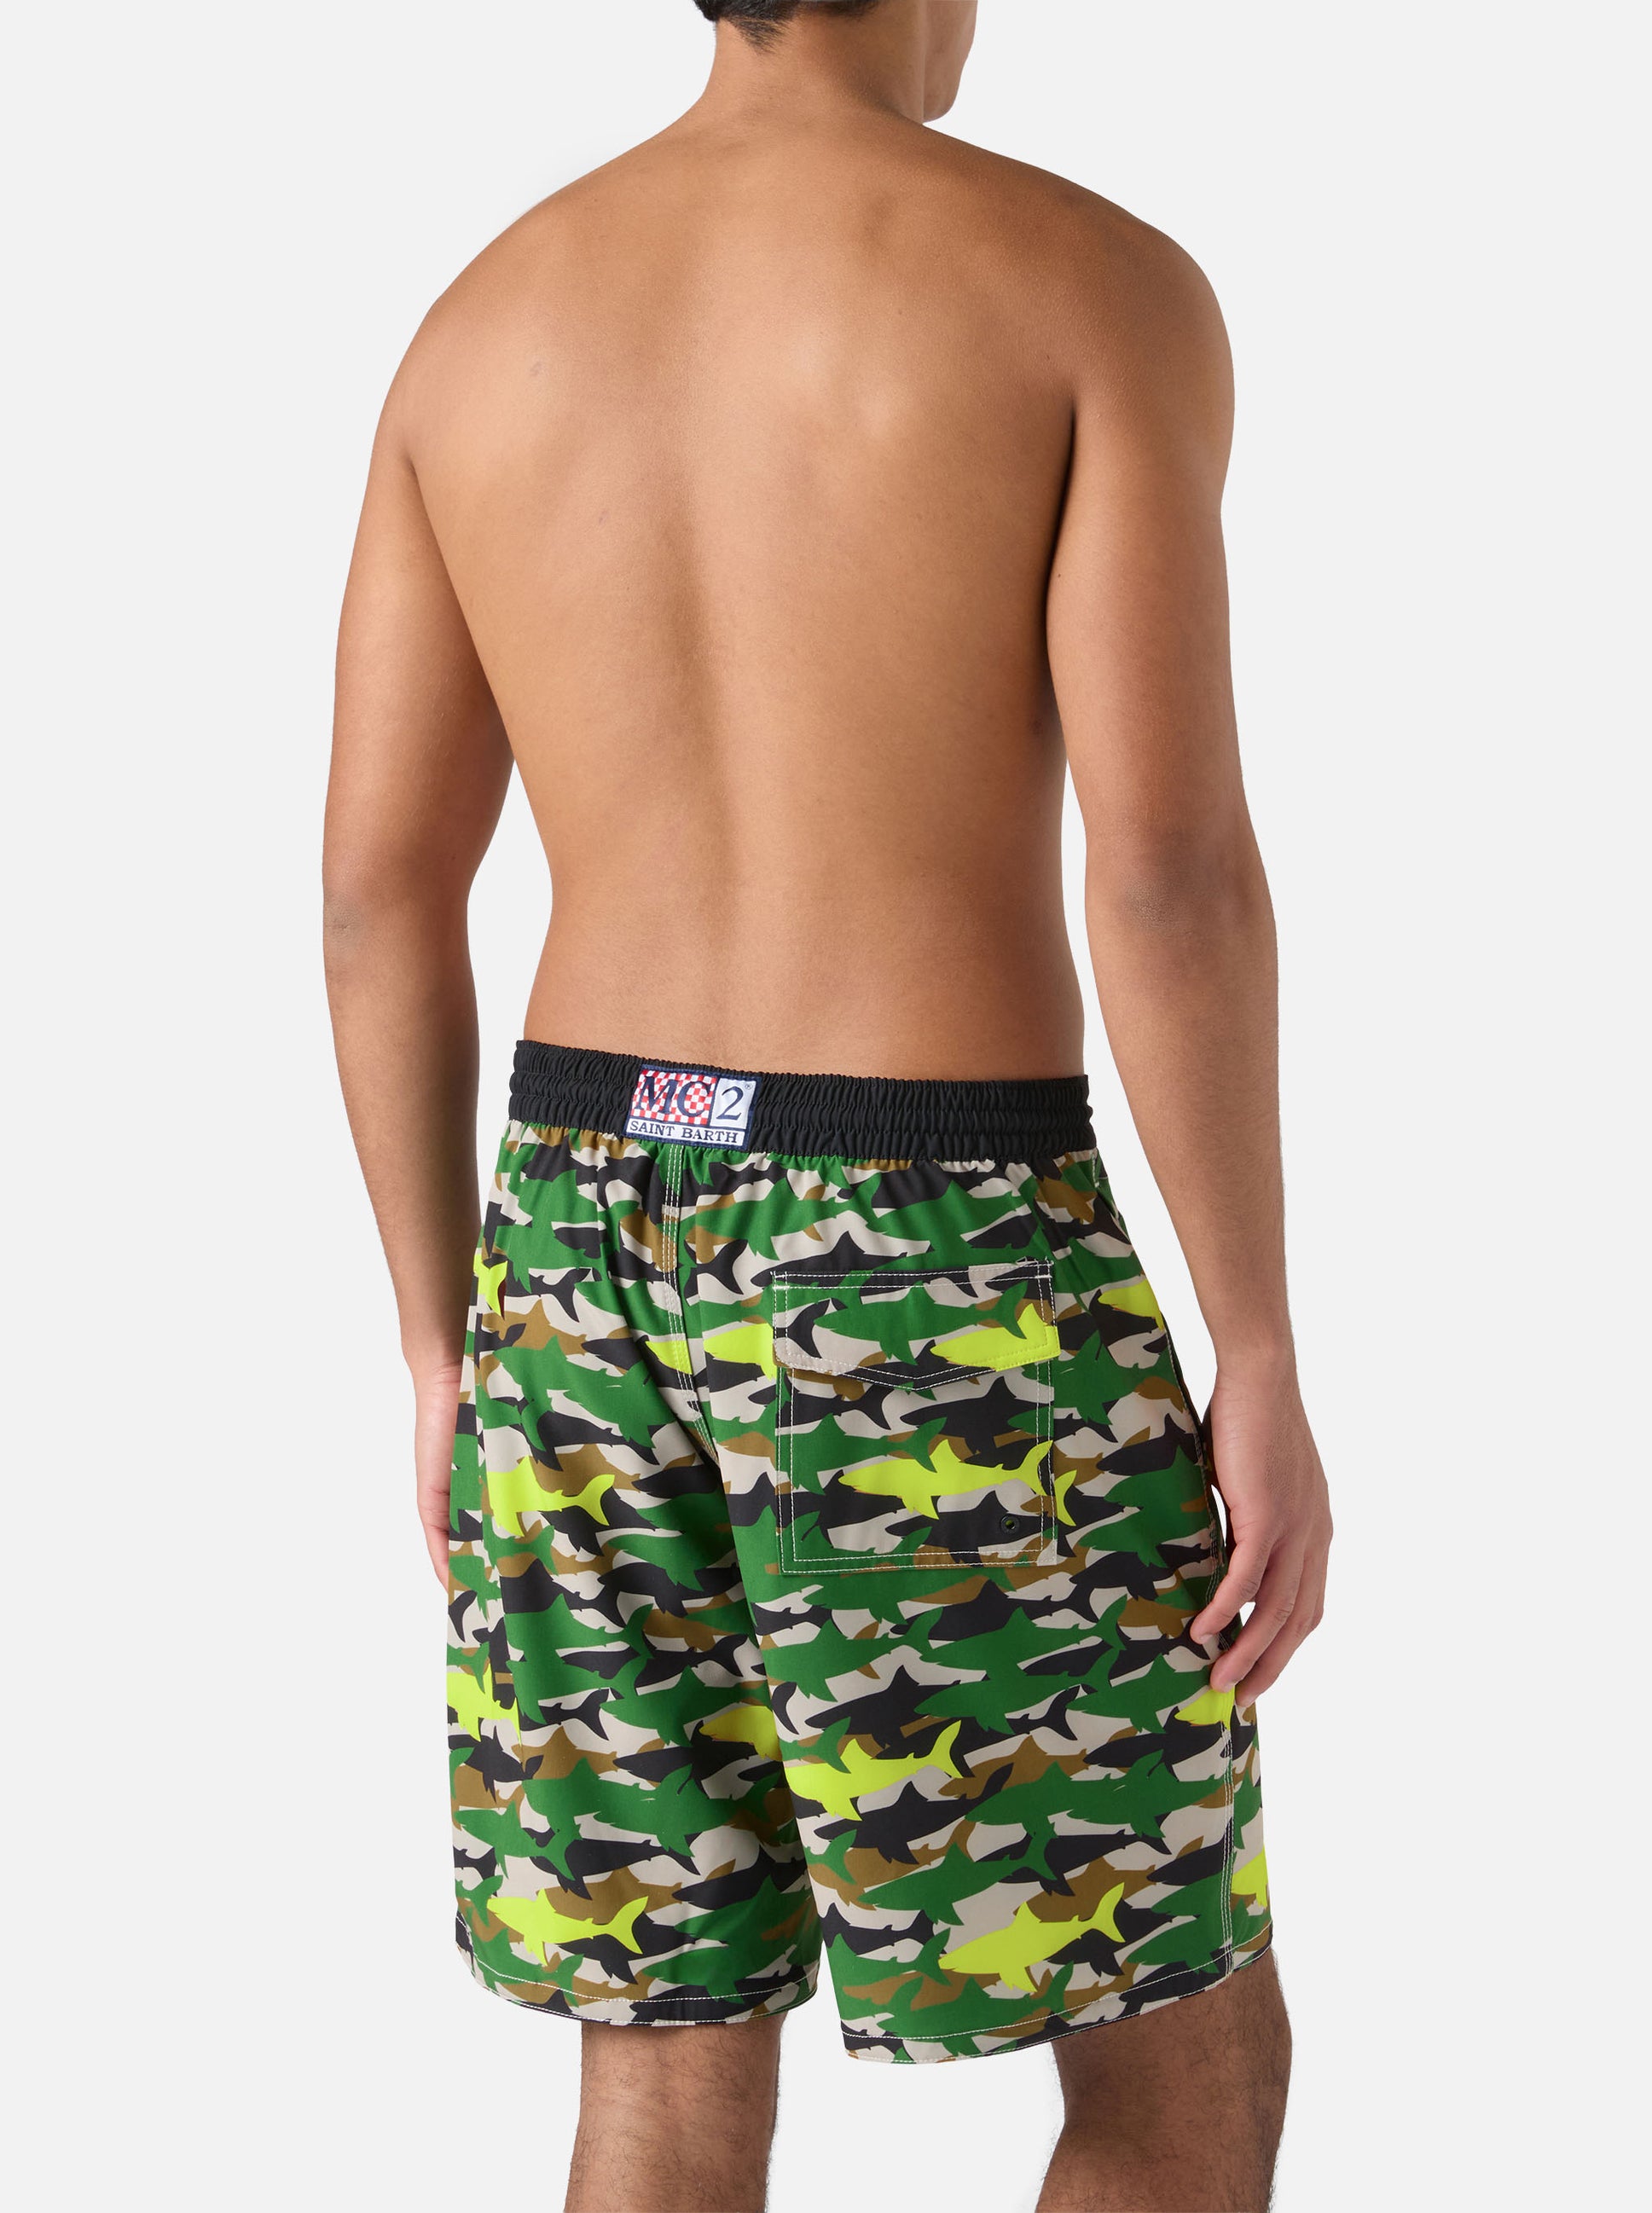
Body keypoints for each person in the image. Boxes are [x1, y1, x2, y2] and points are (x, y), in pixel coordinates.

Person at [323, 1, 1331, 2204]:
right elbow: (1165, 872)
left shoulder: (481, 323)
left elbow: (380, 890)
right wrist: (1252, 1341)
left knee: (665, 2070)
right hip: (931, 1233)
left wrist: (439, 1340)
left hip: (572, 1249)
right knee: (1178, 2061)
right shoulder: (1086, 285)